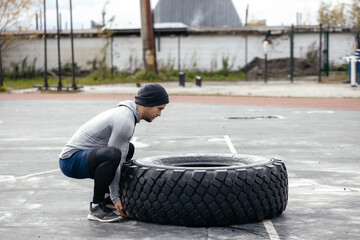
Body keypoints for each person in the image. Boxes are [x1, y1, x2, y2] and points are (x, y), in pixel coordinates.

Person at [59, 83, 169, 222]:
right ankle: (96, 207)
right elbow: (116, 161)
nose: (159, 114)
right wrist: (117, 197)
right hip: (71, 161)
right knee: (113, 155)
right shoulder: (125, 120)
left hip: (84, 156)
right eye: (159, 109)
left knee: (128, 149)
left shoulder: (128, 113)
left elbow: (122, 157)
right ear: (148, 103)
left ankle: (105, 199)